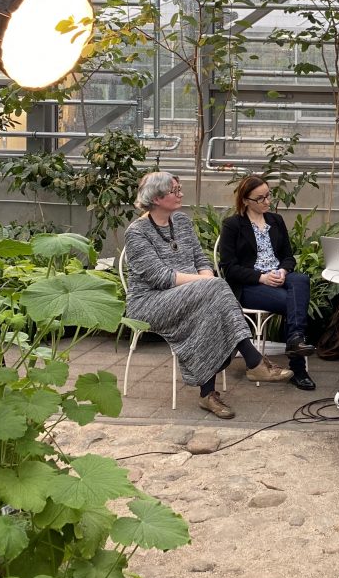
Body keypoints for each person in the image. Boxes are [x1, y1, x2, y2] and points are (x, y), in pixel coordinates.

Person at [124, 171, 292, 420]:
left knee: (211, 301)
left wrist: (206, 279)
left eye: (179, 188)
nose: (180, 194)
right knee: (214, 289)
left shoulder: (180, 221)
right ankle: (253, 361)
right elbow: (160, 277)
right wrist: (206, 281)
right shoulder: (137, 232)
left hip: (192, 295)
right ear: (157, 198)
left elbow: (200, 258)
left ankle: (208, 394)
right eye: (175, 191)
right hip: (150, 301)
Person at [218, 175, 317, 392]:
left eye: (268, 195)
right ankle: (298, 369)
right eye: (260, 198)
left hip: (279, 278)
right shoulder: (233, 225)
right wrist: (261, 277)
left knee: (300, 279)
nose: (266, 201)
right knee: (293, 303)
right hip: (250, 285)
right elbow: (229, 267)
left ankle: (294, 339)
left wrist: (282, 270)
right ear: (245, 200)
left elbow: (289, 257)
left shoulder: (275, 220)